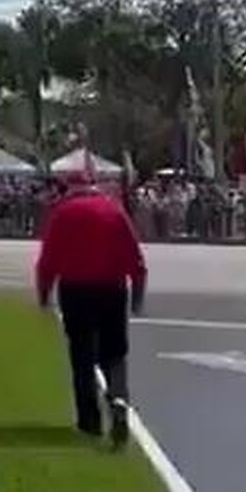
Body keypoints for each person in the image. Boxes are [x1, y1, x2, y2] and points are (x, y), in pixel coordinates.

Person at [37, 173, 147, 449]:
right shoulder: (113, 210)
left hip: (76, 290)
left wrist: (43, 293)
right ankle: (118, 397)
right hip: (112, 288)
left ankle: (90, 421)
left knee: (82, 355)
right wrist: (138, 295)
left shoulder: (63, 213)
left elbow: (48, 258)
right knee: (115, 352)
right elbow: (135, 257)